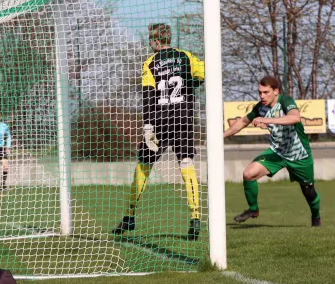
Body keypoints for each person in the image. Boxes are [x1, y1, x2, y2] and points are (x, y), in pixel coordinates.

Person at [112, 23, 205, 241]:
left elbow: (148, 96)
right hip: (183, 119)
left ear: (154, 41)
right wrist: (188, 83)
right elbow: (201, 76)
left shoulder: (150, 62)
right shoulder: (187, 57)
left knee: (143, 165)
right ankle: (195, 218)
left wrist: (147, 127)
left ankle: (130, 215)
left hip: (160, 122)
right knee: (187, 165)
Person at [223, 76, 321, 226]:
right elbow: (242, 122)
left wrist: (266, 120)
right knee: (248, 174)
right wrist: (219, 137)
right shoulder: (260, 107)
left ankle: (316, 217)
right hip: (277, 152)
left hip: (299, 154)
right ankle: (253, 209)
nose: (262, 96)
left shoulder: (285, 101)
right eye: (260, 92)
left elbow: (295, 117)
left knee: (308, 191)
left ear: (276, 91)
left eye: (266, 92)